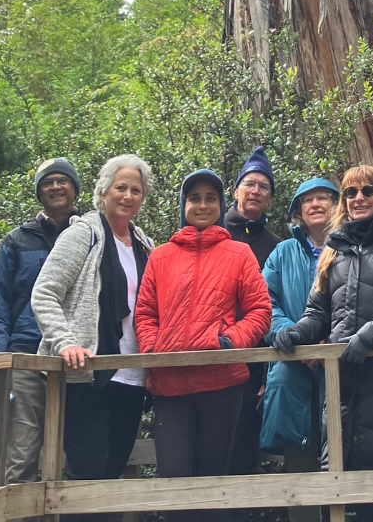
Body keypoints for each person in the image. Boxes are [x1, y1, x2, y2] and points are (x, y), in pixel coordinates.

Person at [271, 166, 373, 522]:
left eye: (367, 191)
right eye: (350, 192)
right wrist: (296, 332)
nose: (358, 198)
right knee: (350, 496)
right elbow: (318, 311)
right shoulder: (334, 250)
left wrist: (370, 336)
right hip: (345, 388)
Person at [134, 168, 272, 522]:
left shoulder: (238, 253)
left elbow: (260, 309)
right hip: (170, 385)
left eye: (210, 198)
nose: (202, 204)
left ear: (221, 204)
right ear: (183, 204)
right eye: (194, 198)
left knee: (215, 481)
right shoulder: (161, 256)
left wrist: (230, 342)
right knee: (174, 480)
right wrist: (153, 350)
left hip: (220, 382)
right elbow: (145, 312)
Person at [31, 153, 154, 511]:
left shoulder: (145, 243)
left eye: (136, 189)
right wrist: (65, 341)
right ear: (103, 192)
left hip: (132, 375)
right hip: (85, 374)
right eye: (121, 187)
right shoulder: (83, 233)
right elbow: (45, 291)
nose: (128, 195)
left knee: (112, 472)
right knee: (86, 474)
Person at [0, 157, 82, 484]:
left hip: (78, 357)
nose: (55, 186)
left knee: (78, 452)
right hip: (26, 355)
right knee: (22, 450)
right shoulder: (17, 241)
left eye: (62, 180)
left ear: (74, 188)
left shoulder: (91, 234)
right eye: (47, 182)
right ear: (39, 192)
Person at [260, 177, 340, 522]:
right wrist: (291, 338)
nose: (316, 205)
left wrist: (329, 344)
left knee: (341, 457)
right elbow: (265, 303)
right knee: (298, 463)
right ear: (298, 211)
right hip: (292, 366)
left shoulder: (350, 247)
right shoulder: (282, 252)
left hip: (340, 366)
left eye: (323, 198)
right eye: (307, 200)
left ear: (337, 205)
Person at [222, 146, 280, 487]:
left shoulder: (276, 245)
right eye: (250, 184)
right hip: (208, 354)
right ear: (236, 190)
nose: (255, 191)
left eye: (263, 187)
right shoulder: (211, 231)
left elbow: (277, 308)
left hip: (252, 362)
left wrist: (267, 373)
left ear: (270, 198)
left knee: (243, 449)